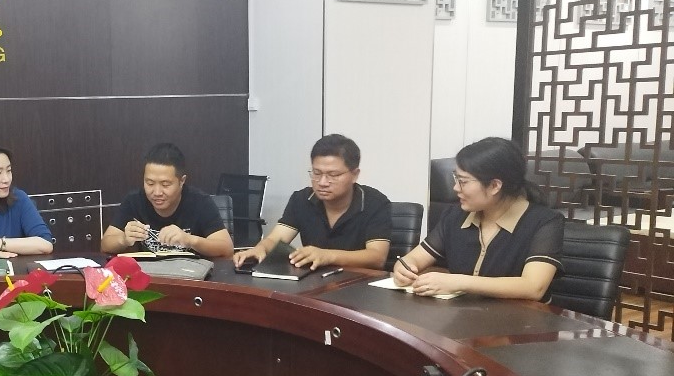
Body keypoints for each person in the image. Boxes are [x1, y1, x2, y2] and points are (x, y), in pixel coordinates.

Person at [392, 137, 563, 300]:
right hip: (463, 314)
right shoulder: (455, 216)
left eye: (463, 181)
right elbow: (414, 259)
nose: (455, 188)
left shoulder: (545, 222)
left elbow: (533, 287)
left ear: (494, 186)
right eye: (456, 178)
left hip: (522, 318)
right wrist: (403, 268)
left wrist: (458, 282)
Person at [234, 134, 391, 271]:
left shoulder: (375, 203)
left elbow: (377, 257)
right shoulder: (302, 199)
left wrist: (328, 256)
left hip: (359, 284)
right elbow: (275, 239)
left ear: (355, 175)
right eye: (316, 173)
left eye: (333, 175)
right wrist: (260, 249)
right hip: (314, 281)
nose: (322, 182)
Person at [101, 142, 234, 257]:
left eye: (165, 184)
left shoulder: (200, 203)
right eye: (150, 183)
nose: (157, 192)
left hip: (191, 274)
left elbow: (227, 249)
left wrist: (190, 240)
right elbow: (105, 245)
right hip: (150, 275)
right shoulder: (134, 201)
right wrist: (124, 239)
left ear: (182, 181)